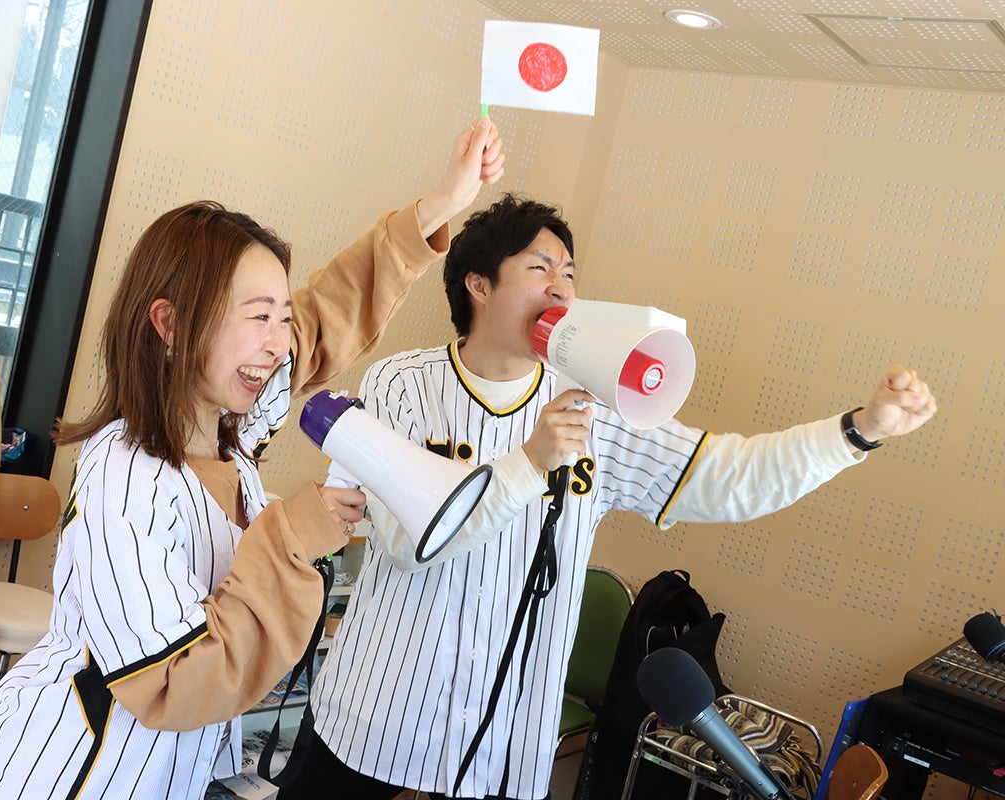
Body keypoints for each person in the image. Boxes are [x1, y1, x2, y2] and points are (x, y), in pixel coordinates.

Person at [277, 194, 937, 800]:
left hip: (505, 737)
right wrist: (530, 464)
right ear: (478, 284)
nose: (561, 286)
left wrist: (857, 432)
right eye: (539, 267)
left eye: (569, 272)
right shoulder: (401, 385)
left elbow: (728, 476)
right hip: (377, 711)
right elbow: (407, 543)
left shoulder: (597, 406)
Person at [0, 117, 505, 800]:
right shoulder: (124, 478)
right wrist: (292, 536)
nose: (278, 344)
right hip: (77, 773)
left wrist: (443, 203)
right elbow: (176, 679)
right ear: (170, 324)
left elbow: (329, 311)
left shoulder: (231, 428)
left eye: (281, 317)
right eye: (257, 316)